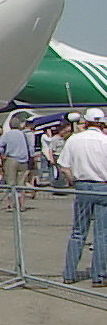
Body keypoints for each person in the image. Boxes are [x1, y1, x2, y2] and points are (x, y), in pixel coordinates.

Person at [57, 107, 107, 287]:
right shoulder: (104, 141)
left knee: (78, 231)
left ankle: (69, 273)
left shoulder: (74, 140)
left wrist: (72, 181)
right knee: (102, 234)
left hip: (82, 186)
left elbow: (64, 166)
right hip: (102, 187)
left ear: (85, 122)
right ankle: (99, 275)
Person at [0, 114, 32, 212]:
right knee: (21, 184)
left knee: (11, 183)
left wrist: (2, 155)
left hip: (11, 159)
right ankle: (22, 205)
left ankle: (11, 205)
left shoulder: (7, 134)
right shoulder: (23, 134)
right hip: (23, 160)